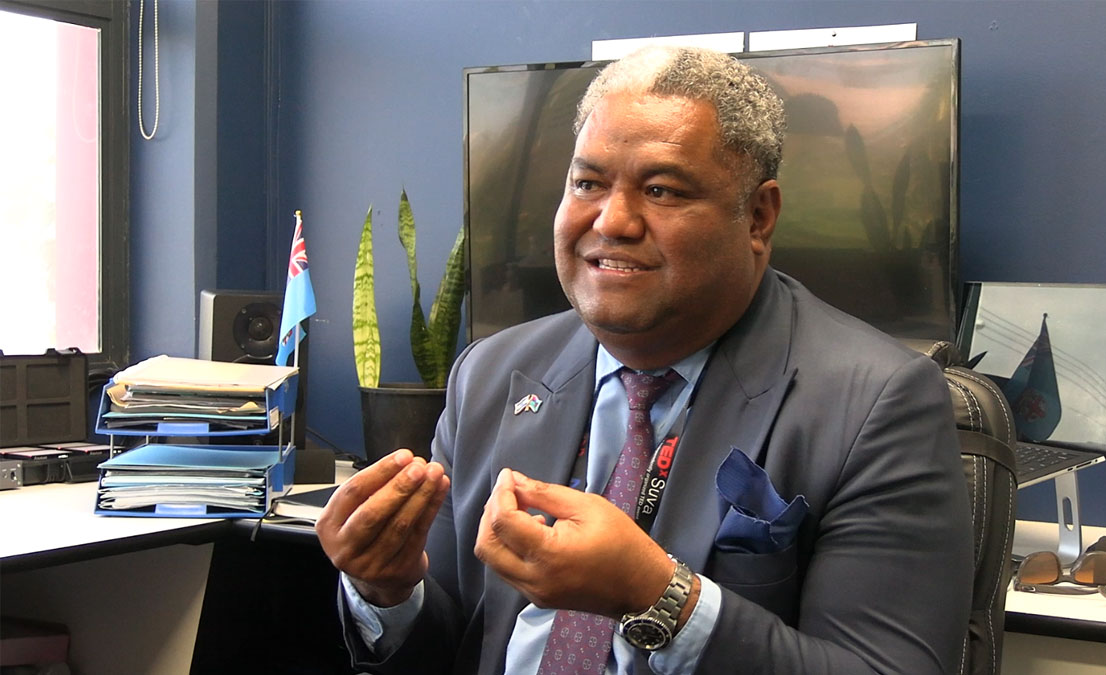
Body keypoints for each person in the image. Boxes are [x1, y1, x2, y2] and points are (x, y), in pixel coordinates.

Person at [316, 45, 972, 674]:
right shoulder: (490, 374)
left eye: (661, 190)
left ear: (758, 217)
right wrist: (387, 590)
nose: (613, 221)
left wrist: (658, 597)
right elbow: (459, 648)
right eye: (588, 182)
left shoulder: (878, 402)